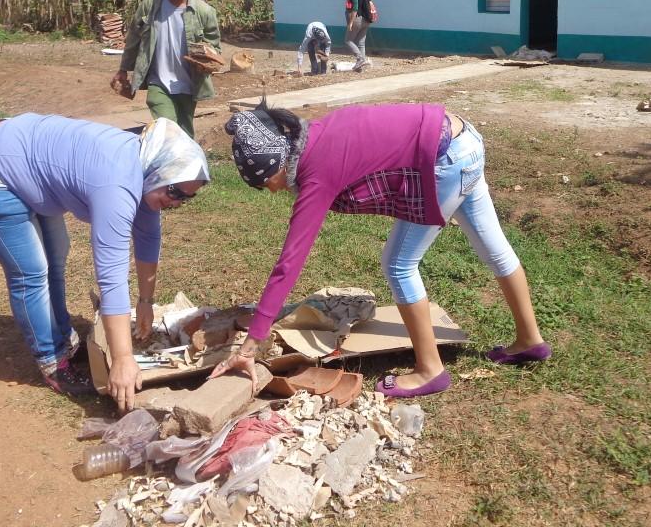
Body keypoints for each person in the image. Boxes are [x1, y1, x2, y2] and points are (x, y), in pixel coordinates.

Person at [210, 103, 550, 398]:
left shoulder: (316, 173)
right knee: (495, 250)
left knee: (399, 264)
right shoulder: (316, 134)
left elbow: (290, 262)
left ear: (279, 160)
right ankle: (529, 341)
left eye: (268, 181)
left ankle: (430, 370)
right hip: (464, 139)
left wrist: (251, 344)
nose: (273, 191)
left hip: (444, 158)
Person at [0, 114, 210, 412]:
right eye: (174, 192)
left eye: (188, 198)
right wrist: (122, 359)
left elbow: (148, 237)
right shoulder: (118, 186)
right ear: (159, 173)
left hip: (19, 161)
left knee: (55, 258)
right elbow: (112, 277)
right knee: (31, 272)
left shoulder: (148, 169)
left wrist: (146, 301)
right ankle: (52, 361)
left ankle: (64, 344)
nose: (177, 202)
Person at [113, 0, 221, 138]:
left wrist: (207, 60)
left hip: (189, 83)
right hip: (158, 82)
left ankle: (188, 164)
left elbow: (215, 49)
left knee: (185, 134)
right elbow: (133, 38)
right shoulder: (151, 4)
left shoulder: (204, 12)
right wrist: (123, 69)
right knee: (168, 129)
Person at [342, 0, 372, 72]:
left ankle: (360, 59)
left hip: (357, 19)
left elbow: (355, 8)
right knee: (361, 43)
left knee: (348, 40)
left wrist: (350, 23)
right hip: (366, 20)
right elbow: (369, 1)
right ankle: (360, 67)